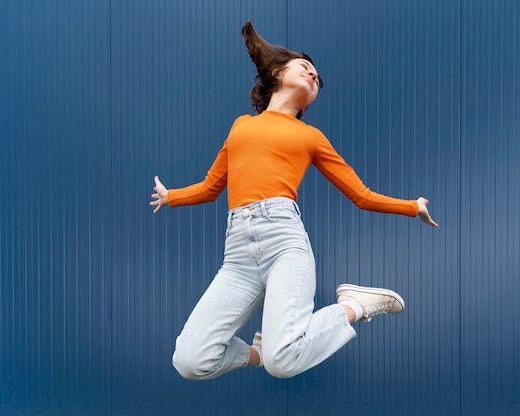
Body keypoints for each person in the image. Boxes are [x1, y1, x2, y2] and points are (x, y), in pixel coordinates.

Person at [150, 21, 438, 380]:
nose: (314, 75)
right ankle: (262, 349)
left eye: (317, 77)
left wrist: (413, 206)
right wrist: (171, 196)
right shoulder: (241, 126)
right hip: (238, 255)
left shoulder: (311, 137)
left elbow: (360, 196)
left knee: (282, 364)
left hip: (284, 243)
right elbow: (211, 187)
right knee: (191, 361)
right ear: (275, 73)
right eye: (305, 67)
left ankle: (352, 306)